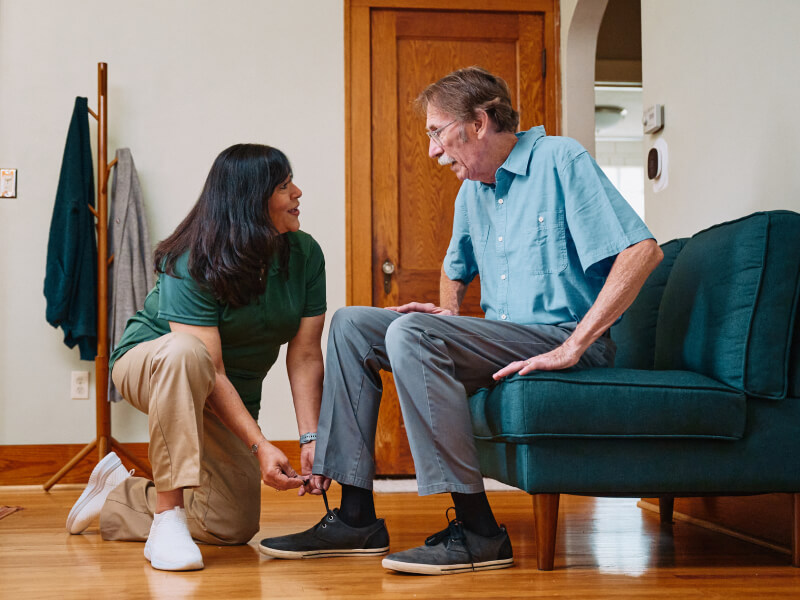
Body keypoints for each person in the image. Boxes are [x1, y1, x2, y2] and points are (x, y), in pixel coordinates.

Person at [259, 66, 664, 575]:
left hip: (560, 337)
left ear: (479, 122)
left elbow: (643, 252)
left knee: (410, 331)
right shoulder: (472, 190)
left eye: (437, 131)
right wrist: (448, 314)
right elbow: (456, 269)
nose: (432, 150)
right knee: (351, 324)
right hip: (507, 340)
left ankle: (478, 531)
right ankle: (356, 515)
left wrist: (576, 343)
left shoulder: (560, 159)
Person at [65, 144, 327, 572]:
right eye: (284, 186)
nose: (297, 192)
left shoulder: (305, 254)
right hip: (152, 364)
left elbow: (305, 355)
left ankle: (120, 493)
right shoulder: (192, 257)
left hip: (223, 395)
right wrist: (260, 445)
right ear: (250, 201)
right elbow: (210, 366)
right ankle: (167, 516)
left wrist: (310, 439)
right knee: (186, 353)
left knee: (231, 525)